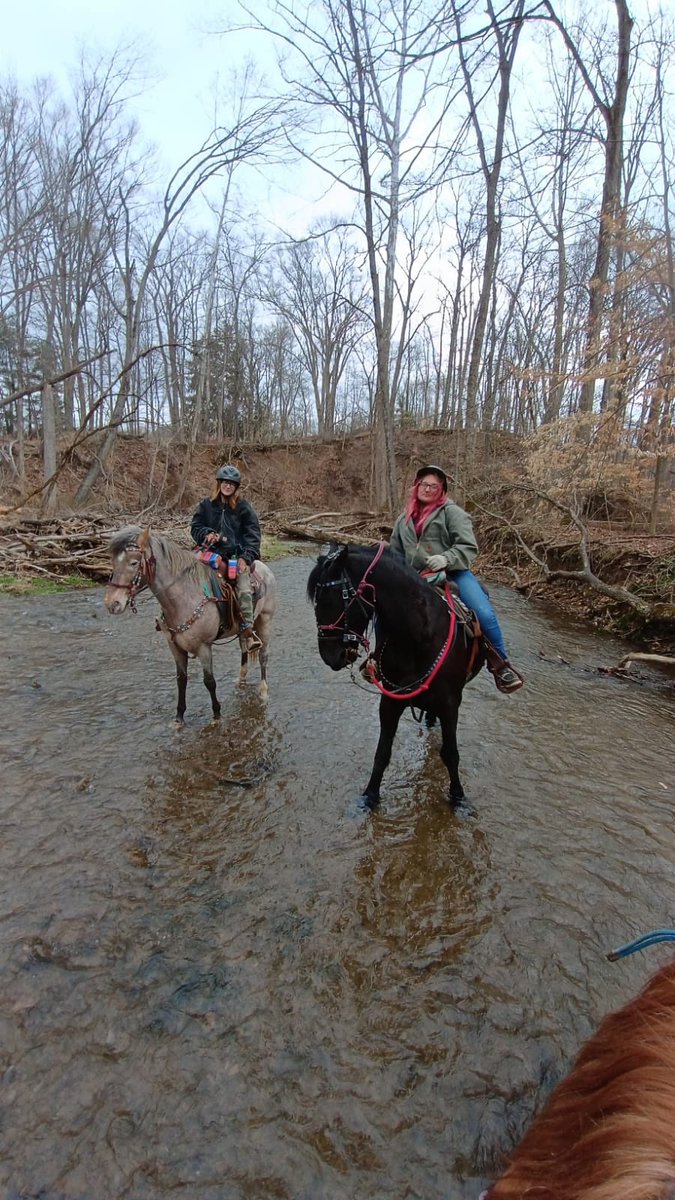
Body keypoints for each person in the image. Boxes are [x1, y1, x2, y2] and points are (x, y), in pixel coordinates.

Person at [389, 465, 523, 693]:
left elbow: (468, 547)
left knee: (483, 612)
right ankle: (377, 658)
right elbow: (396, 551)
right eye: (423, 484)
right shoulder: (404, 519)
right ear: (416, 486)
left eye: (433, 486)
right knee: (385, 605)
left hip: (454, 573)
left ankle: (501, 665)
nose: (427, 489)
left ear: (441, 490)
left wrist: (446, 558)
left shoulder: (453, 513)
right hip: (416, 576)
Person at [191, 463, 262, 649]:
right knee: (184, 572)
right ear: (219, 483)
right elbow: (196, 526)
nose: (228, 486)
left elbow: (253, 535)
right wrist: (206, 533)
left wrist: (246, 557)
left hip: (234, 556)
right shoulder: (206, 505)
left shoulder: (244, 508)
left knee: (244, 587)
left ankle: (248, 630)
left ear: (236, 487)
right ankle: (170, 618)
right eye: (225, 482)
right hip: (211, 553)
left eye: (231, 483)